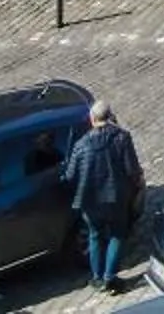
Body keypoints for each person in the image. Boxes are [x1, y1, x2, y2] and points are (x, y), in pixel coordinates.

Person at [59, 99, 145, 292]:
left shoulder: (81, 145)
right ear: (111, 116)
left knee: (95, 236)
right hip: (116, 198)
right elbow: (132, 170)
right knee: (117, 235)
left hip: (89, 201)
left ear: (92, 119)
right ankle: (110, 276)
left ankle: (97, 277)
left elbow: (70, 175)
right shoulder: (122, 137)